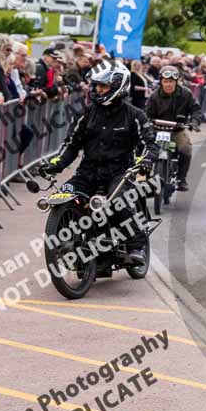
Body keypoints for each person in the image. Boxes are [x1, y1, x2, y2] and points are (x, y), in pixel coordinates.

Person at [38, 60, 158, 266]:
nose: (98, 90)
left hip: (119, 172)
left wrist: (145, 160)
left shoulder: (135, 115)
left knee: (118, 201)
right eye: (96, 86)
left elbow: (150, 143)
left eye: (103, 86)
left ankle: (136, 246)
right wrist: (55, 164)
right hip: (87, 172)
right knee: (65, 193)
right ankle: (65, 243)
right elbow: (71, 144)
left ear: (119, 86)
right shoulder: (86, 114)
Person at [145, 65, 201, 192]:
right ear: (161, 82)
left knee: (186, 149)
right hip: (158, 129)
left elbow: (196, 109)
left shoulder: (186, 93)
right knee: (146, 149)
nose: (168, 84)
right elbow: (147, 113)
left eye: (171, 82)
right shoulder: (154, 96)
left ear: (176, 81)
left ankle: (181, 179)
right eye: (165, 82)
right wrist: (146, 123)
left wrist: (194, 122)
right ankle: (144, 177)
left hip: (177, 130)